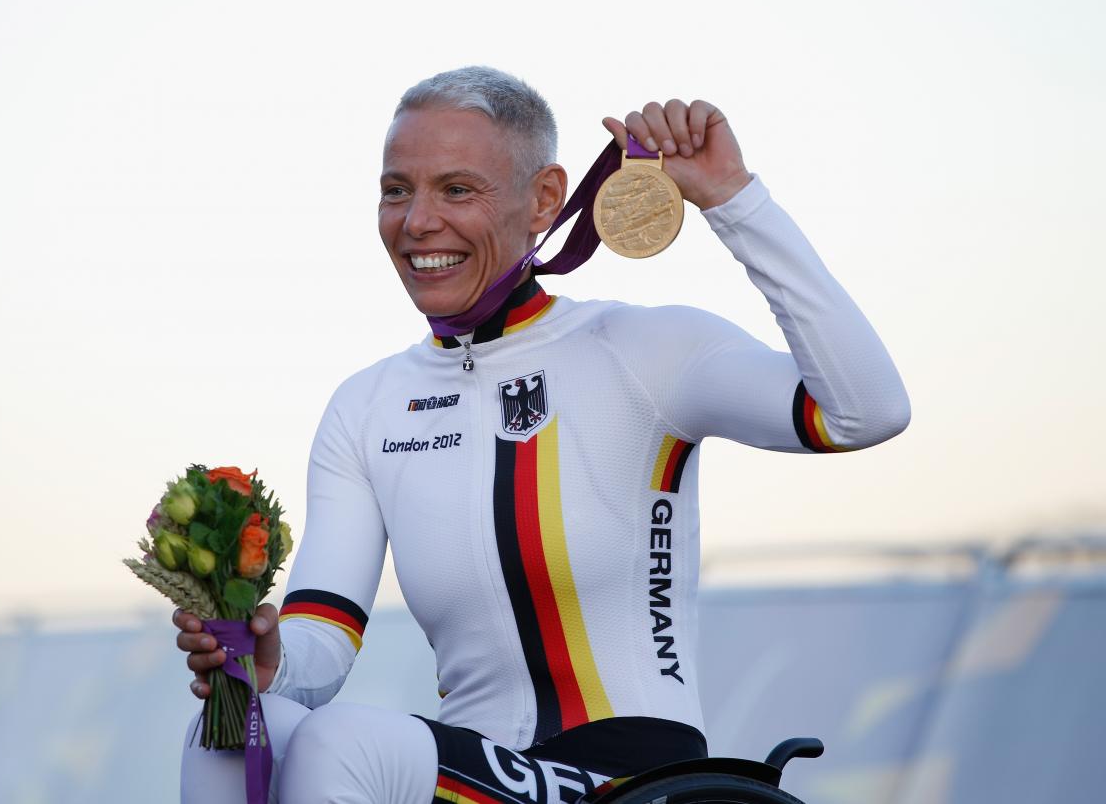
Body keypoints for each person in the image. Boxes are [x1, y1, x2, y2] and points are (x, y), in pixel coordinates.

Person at [176, 66, 910, 804]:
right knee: (235, 724)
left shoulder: (644, 351)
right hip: (473, 772)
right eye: (397, 189)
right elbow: (321, 636)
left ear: (545, 200)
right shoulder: (367, 406)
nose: (417, 222)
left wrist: (736, 202)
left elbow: (864, 410)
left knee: (341, 743)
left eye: (457, 189)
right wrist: (267, 660)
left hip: (636, 782)